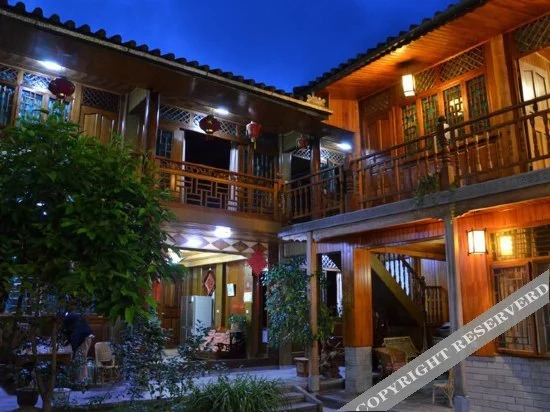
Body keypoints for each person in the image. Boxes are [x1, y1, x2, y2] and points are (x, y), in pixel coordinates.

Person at [62, 313, 94, 382]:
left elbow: (74, 336)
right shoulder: (73, 317)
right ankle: (83, 380)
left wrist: (73, 351)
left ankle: (81, 381)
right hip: (88, 335)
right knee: (83, 359)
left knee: (81, 359)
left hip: (84, 337)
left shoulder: (67, 320)